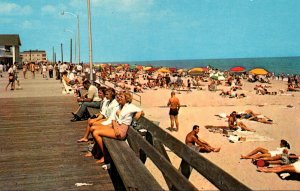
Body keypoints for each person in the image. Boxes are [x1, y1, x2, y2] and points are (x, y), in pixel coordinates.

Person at [92, 91, 144, 164]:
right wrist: (115, 127)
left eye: (121, 97)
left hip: (121, 131)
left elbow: (141, 111)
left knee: (96, 132)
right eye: (119, 96)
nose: (119, 98)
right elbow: (113, 119)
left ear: (127, 98)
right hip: (116, 128)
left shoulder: (130, 107)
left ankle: (105, 156)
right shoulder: (120, 106)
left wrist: (137, 115)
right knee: (94, 128)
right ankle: (99, 152)